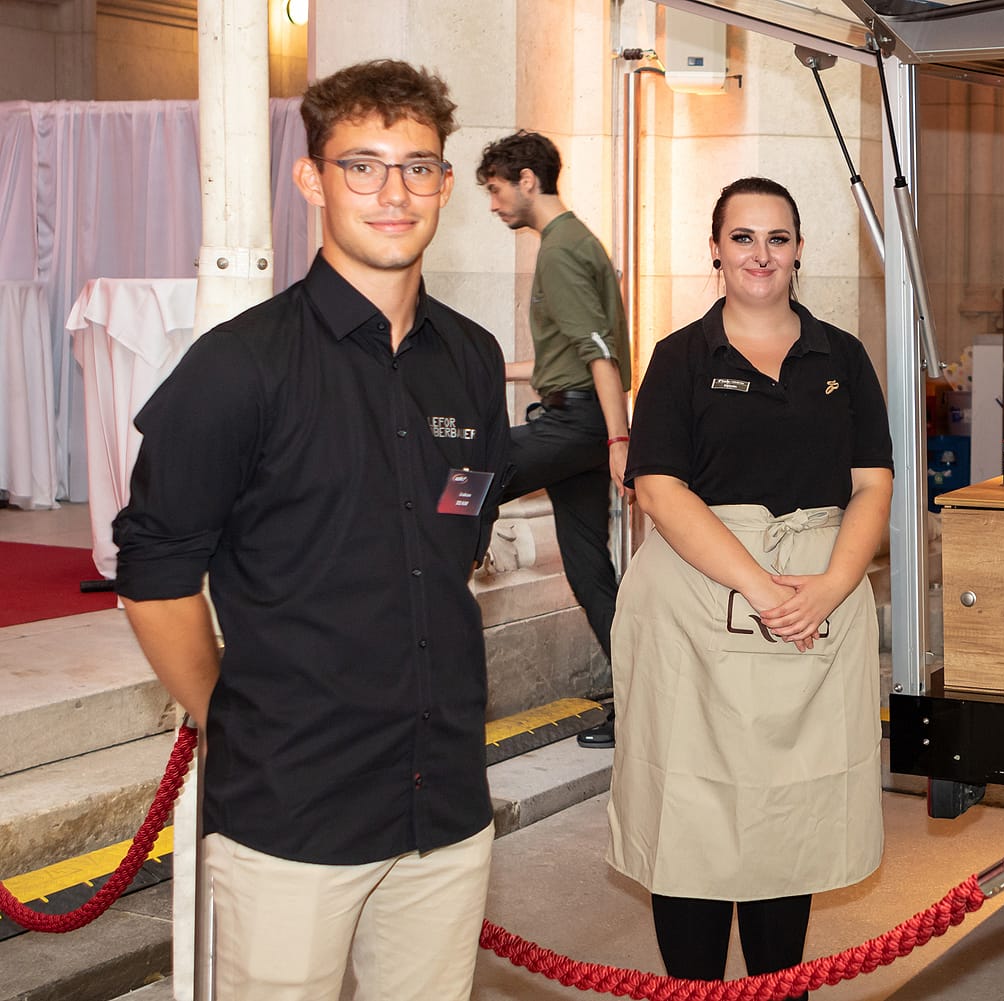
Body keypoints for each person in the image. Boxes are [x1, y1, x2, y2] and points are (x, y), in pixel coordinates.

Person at [113, 60, 509, 1001]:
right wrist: (233, 715)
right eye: (362, 166)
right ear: (312, 180)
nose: (393, 193)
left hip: (445, 802)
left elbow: (464, 516)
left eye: (418, 167)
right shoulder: (238, 367)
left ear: (446, 184)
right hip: (293, 811)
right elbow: (154, 576)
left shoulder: (473, 357)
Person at [605, 177, 892, 996]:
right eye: (743, 237)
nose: (760, 254)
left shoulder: (841, 357)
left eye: (777, 237)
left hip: (817, 604)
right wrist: (766, 590)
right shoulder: (679, 358)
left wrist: (832, 585)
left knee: (786, 817)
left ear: (799, 249)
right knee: (690, 816)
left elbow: (873, 483)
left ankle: (777, 987)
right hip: (695, 610)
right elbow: (659, 489)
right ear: (715, 249)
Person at [476, 130, 630, 748]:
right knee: (591, 574)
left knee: (463, 481)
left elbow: (599, 353)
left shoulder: (561, 250)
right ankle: (642, 707)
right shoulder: (576, 241)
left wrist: (618, 440)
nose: (493, 205)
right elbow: (562, 360)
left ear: (527, 180)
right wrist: (482, 368)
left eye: (496, 190)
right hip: (579, 421)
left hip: (578, 424)